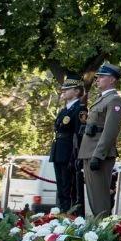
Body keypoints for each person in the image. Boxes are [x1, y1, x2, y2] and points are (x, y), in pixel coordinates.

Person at [78, 62, 121, 218]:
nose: (97, 80)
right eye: (97, 77)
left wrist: (98, 155)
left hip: (99, 154)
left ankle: (104, 231)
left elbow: (110, 131)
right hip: (89, 152)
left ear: (112, 80)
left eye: (101, 77)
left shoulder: (114, 100)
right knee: (93, 197)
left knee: (100, 198)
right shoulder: (101, 99)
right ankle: (100, 229)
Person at [48, 73, 85, 212]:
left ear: (76, 91)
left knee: (68, 187)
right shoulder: (64, 110)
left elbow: (79, 135)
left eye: (67, 89)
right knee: (61, 186)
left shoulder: (79, 109)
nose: (63, 91)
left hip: (69, 153)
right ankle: (62, 213)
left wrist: (77, 156)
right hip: (59, 151)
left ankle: (69, 214)